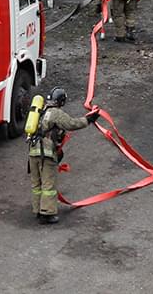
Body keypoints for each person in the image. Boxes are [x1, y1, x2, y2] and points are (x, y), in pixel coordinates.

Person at [28, 87, 98, 223]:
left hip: (33, 151)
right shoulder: (55, 113)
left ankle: (37, 210)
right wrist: (88, 119)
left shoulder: (40, 111)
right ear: (61, 101)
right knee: (48, 184)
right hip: (46, 154)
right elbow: (72, 124)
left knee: (36, 184)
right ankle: (47, 213)